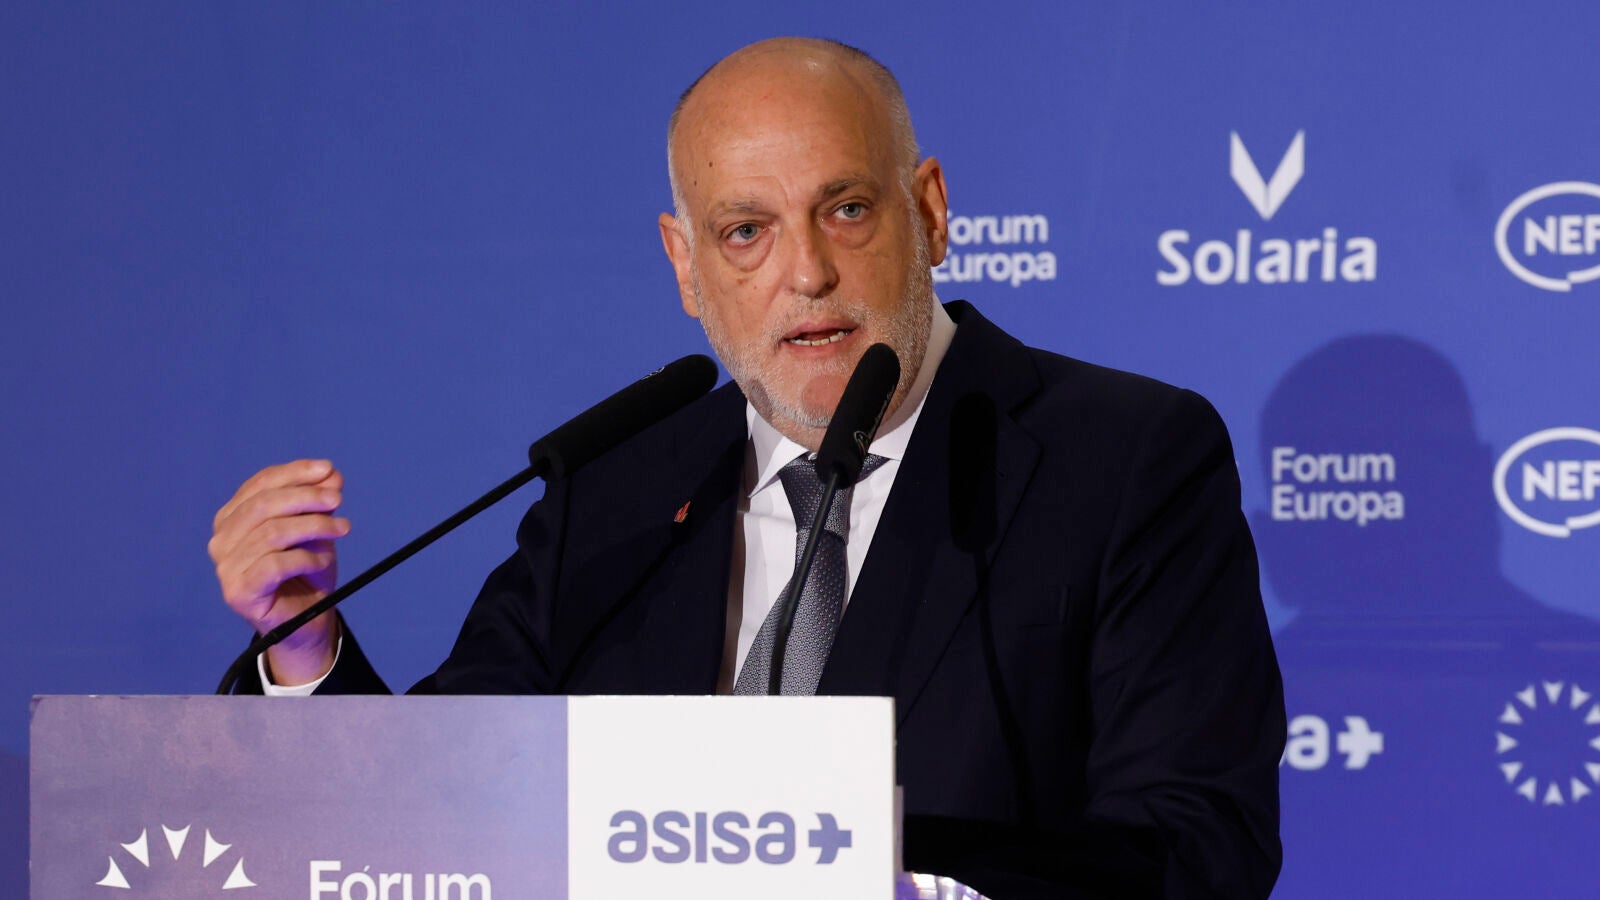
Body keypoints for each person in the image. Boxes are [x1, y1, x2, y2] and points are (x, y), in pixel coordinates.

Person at [208, 37, 1284, 899]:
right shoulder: (619, 490)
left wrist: (900, 882)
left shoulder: (1122, 457)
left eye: (846, 210)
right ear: (686, 265)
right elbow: (437, 816)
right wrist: (303, 647)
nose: (806, 273)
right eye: (744, 232)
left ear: (928, 211)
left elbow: (1199, 845)